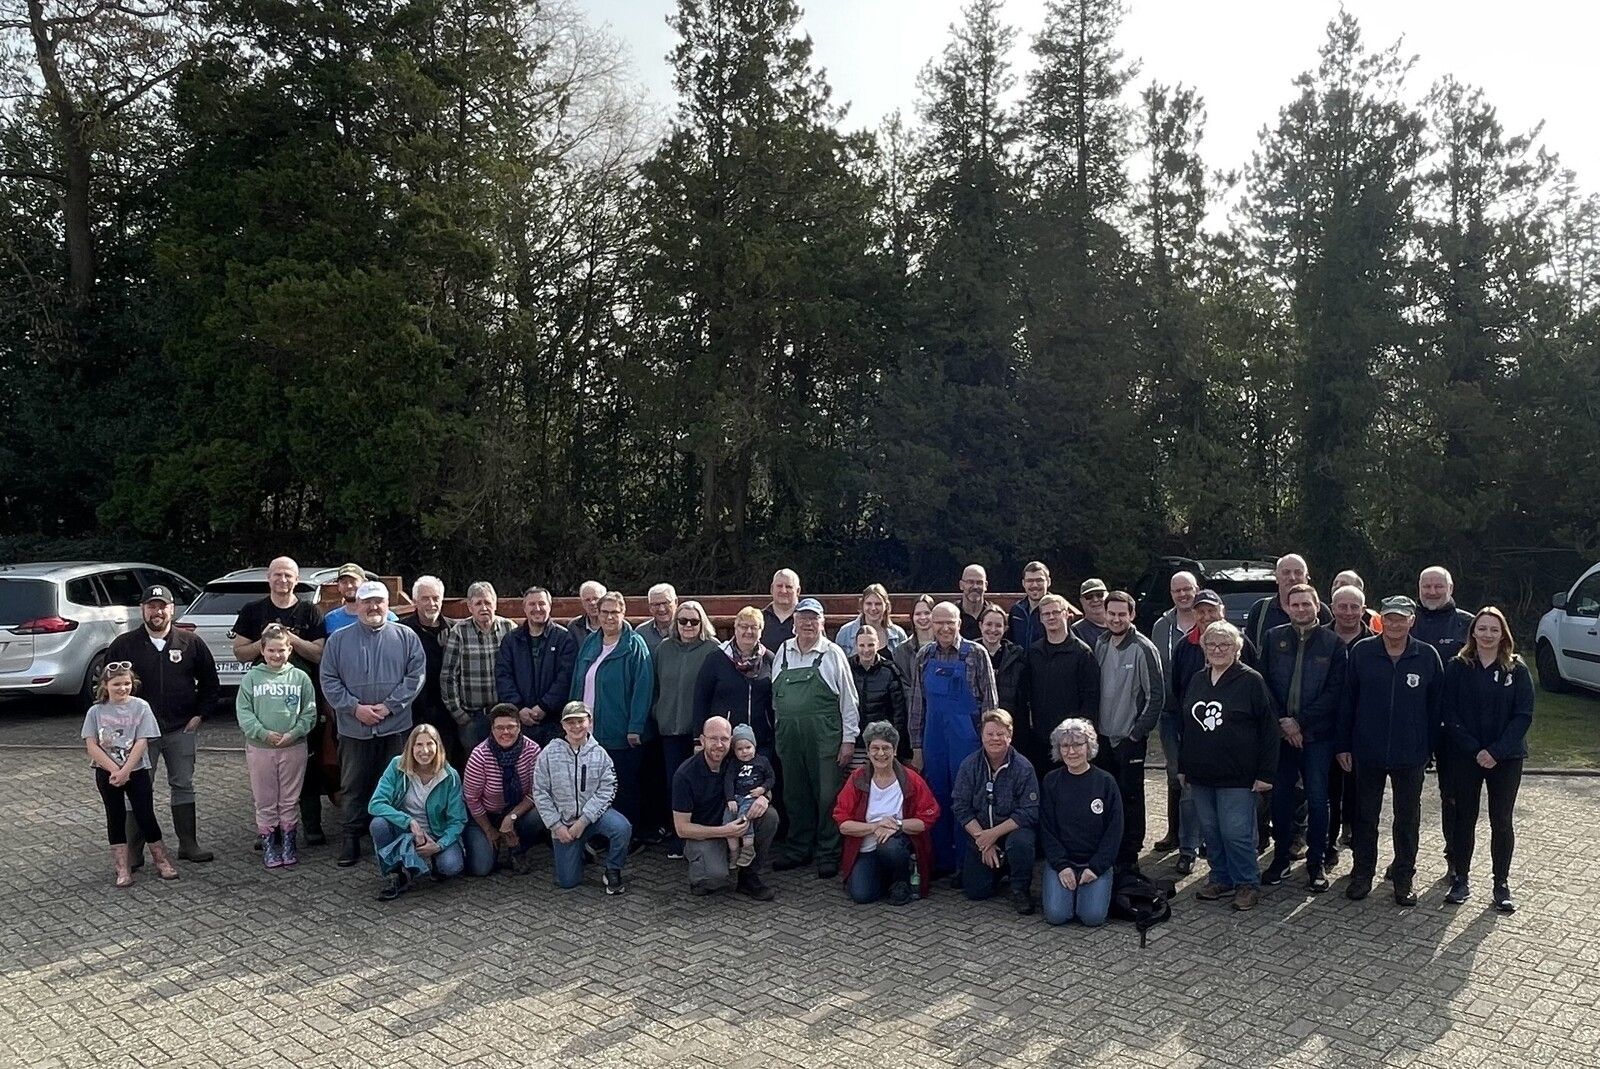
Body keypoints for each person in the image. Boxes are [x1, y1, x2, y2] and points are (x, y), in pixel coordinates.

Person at [1337, 596, 1445, 906]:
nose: (1395, 624)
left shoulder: (1427, 656)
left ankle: (1403, 877)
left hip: (1410, 753)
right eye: (1390, 618)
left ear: (1412, 621)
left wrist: (1429, 748)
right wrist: (1343, 745)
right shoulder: (1362, 652)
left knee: (1407, 818)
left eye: (1401, 618)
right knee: (1365, 816)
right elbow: (1347, 701)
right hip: (1367, 750)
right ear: (1381, 620)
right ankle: (1362, 874)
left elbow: (1436, 706)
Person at [105, 582, 221, 867]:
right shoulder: (124, 645)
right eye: (151, 606)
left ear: (172, 609)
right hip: (138, 736)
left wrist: (200, 715)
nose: (157, 612)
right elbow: (106, 688)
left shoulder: (191, 642)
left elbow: (210, 682)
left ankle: (188, 845)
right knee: (136, 789)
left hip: (180, 729)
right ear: (142, 609)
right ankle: (134, 851)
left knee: (183, 784)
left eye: (162, 606)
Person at [321, 581, 427, 867]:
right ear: (357, 606)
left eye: (378, 601)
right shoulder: (338, 640)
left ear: (387, 604)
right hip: (354, 729)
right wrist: (354, 708)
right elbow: (328, 679)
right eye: (367, 602)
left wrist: (390, 705)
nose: (373, 607)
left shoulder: (406, 636)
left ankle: (394, 836)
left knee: (396, 784)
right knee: (353, 785)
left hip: (396, 727)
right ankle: (351, 837)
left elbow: (416, 676)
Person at [1180, 621, 1278, 911]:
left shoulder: (1251, 681)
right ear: (1204, 649)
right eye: (1212, 644)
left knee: (1236, 832)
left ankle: (1247, 883)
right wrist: (1184, 766)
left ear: (1237, 649)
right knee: (1211, 831)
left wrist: (1266, 773)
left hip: (1238, 774)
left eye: (1225, 645)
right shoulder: (1198, 679)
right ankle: (1220, 878)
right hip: (1201, 773)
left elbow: (1269, 729)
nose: (1218, 649)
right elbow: (1187, 726)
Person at [232, 557, 330, 844]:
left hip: (302, 698)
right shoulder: (253, 610)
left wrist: (290, 639)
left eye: (288, 575)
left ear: (296, 579)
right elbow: (239, 652)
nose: (283, 580)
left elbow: (319, 653)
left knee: (308, 765)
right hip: (264, 702)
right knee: (266, 776)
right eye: (277, 575)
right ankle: (269, 831)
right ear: (269, 578)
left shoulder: (310, 611)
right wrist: (265, 641)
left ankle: (311, 825)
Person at [1442, 607, 1533, 913]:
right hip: (1466, 757)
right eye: (1482, 628)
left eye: (1494, 629)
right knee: (1463, 818)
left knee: (1501, 821)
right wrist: (1474, 749)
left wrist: (1496, 752)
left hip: (1506, 758)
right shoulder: (1458, 666)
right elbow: (1449, 712)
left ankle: (1501, 884)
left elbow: (1523, 715)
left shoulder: (1517, 669)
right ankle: (1460, 879)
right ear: (1473, 632)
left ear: (1503, 633)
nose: (1488, 634)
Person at [1258, 584, 1347, 893]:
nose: (1300, 609)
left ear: (1317, 606)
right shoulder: (1273, 638)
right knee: (1281, 800)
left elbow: (1334, 692)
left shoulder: (1333, 643)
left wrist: (1300, 723)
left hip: (1318, 737)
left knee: (1318, 800)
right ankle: (1281, 859)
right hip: (1282, 737)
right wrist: (1284, 723)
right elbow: (1264, 683)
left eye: (1306, 604)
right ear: (1287, 607)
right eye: (1294, 604)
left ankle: (1316, 863)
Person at [907, 601, 998, 877]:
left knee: (966, 798)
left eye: (950, 622)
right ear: (931, 624)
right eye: (939, 622)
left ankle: (965, 864)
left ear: (959, 623)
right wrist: (917, 747)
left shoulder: (976, 654)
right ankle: (940, 861)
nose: (945, 628)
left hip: (968, 741)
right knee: (936, 796)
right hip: (934, 740)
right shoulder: (924, 655)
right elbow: (917, 704)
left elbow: (990, 706)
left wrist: (990, 744)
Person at [770, 597, 860, 878]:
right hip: (789, 737)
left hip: (824, 736)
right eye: (803, 618)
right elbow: (775, 699)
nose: (808, 623)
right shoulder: (783, 651)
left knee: (827, 795)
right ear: (794, 622)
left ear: (822, 623)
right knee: (794, 794)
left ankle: (828, 852)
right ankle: (799, 848)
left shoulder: (832, 653)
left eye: (813, 618)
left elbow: (848, 700)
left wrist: (848, 739)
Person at [83, 662, 178, 886]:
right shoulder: (95, 711)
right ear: (105, 685)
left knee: (145, 814)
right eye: (117, 684)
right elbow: (92, 745)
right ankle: (122, 867)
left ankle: (161, 860)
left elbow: (142, 741)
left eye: (126, 683)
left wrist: (126, 770)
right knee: (115, 816)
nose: (122, 688)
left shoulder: (141, 706)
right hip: (106, 771)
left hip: (136, 770)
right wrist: (114, 770)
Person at [569, 591, 654, 834]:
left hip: (619, 730)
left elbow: (643, 687)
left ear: (623, 613)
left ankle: (628, 836)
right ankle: (599, 834)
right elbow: (577, 681)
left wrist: (635, 727)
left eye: (614, 612)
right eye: (604, 612)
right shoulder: (591, 642)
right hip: (589, 731)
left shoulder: (634, 645)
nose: (608, 617)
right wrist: (571, 717)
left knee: (622, 787)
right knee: (593, 787)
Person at [236, 624, 319, 868]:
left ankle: (289, 844)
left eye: (281, 650)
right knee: (265, 799)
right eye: (271, 650)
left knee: (290, 799)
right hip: (261, 748)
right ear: (262, 650)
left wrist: (295, 733)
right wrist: (262, 733)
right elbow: (244, 712)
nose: (276, 655)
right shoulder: (252, 678)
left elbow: (309, 712)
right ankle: (270, 846)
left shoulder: (300, 678)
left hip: (294, 747)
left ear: (290, 650)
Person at [1092, 591, 1164, 874]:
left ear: (1132, 615)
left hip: (1128, 739)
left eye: (1122, 614)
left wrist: (1137, 733)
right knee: (1107, 797)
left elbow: (1156, 696)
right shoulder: (1100, 643)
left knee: (1131, 797)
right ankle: (1110, 848)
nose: (1116, 619)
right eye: (1111, 613)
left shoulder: (1144, 648)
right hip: (1102, 738)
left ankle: (1131, 853)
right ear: (1105, 613)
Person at [832, 722, 940, 904]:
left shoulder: (911, 779)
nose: (880, 753)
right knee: (862, 896)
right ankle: (883, 879)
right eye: (875, 748)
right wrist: (875, 826)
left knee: (889, 846)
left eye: (886, 748)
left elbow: (927, 818)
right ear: (868, 751)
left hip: (897, 845)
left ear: (895, 750)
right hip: (866, 848)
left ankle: (901, 880)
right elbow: (843, 824)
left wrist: (897, 825)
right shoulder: (857, 779)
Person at [1413, 565, 1475, 880]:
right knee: (1406, 796)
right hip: (1413, 723)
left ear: (1451, 588)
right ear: (1419, 588)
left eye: (1439, 586)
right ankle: (1403, 859)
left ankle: (1455, 858)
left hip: (1454, 726)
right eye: (1427, 586)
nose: (1433, 592)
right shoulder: (1406, 621)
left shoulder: (1468, 624)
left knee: (1453, 796)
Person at [671, 716, 778, 900]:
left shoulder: (737, 760)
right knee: (715, 878)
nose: (719, 745)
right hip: (705, 833)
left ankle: (748, 876)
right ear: (702, 740)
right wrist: (725, 831)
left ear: (731, 740)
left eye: (724, 739)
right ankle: (701, 874)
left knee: (769, 816)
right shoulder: (685, 774)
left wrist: (765, 797)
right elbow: (682, 829)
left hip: (735, 824)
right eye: (713, 738)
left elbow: (762, 782)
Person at [532, 702, 632, 894]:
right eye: (570, 722)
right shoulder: (548, 754)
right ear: (563, 725)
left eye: (581, 721)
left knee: (622, 828)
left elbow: (608, 788)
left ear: (590, 722)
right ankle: (581, 849)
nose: (576, 726)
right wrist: (556, 826)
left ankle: (613, 869)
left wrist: (584, 820)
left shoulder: (600, 754)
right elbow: (540, 791)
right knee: (568, 882)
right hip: (564, 823)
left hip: (594, 817)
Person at [951, 709, 1040, 914]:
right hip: (980, 832)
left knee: (1022, 843)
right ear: (982, 735)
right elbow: (960, 806)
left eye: (1000, 734)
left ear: (1010, 735)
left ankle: (1020, 888)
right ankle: (997, 871)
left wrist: (993, 834)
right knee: (976, 892)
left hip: (1013, 832)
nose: (995, 739)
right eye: (989, 734)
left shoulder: (1024, 768)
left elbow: (1029, 811)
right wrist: (984, 841)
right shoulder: (969, 765)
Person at [367, 724, 468, 901]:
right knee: (378, 824)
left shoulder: (450, 776)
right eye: (419, 745)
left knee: (451, 866)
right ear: (411, 747)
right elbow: (375, 804)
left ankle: (434, 861)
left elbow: (458, 820)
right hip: (405, 830)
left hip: (437, 833)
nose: (425, 750)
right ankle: (397, 873)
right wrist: (409, 822)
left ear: (438, 746)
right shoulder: (397, 766)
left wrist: (439, 845)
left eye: (430, 744)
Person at [1039, 718, 1122, 927]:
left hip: (1094, 863)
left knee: (1092, 918)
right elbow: (1047, 829)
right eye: (1065, 746)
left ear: (1089, 746)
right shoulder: (1051, 781)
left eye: (1077, 745)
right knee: (1056, 916)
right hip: (1062, 863)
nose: (1071, 751)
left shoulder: (1106, 782)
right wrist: (1061, 866)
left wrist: (1096, 867)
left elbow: (1114, 831)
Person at [653, 599, 719, 856]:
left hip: (700, 732)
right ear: (675, 623)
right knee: (674, 782)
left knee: (700, 784)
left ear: (702, 622)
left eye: (694, 621)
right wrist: (657, 711)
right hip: (669, 729)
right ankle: (678, 835)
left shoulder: (713, 649)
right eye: (683, 620)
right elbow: (655, 685)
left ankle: (701, 835)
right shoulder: (664, 649)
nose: (688, 625)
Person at [1016, 593, 1099, 775]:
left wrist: (1080, 736)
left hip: (1071, 742)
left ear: (1066, 614)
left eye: (1056, 612)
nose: (1051, 617)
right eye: (1046, 614)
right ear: (1041, 618)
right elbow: (1025, 694)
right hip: (1040, 738)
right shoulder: (1034, 653)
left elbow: (1091, 698)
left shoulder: (1082, 653)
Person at [462, 704, 545, 877]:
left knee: (539, 814)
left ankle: (517, 847)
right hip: (485, 814)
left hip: (516, 810)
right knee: (481, 869)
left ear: (519, 727)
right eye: (500, 728)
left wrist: (511, 817)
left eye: (510, 727)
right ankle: (490, 842)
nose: (505, 732)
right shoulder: (479, 756)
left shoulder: (533, 750)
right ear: (492, 729)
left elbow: (536, 792)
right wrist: (489, 829)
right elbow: (472, 799)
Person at [1150, 572, 1199, 859]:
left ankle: (1194, 838)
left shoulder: (1206, 621)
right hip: (1170, 712)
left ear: (1197, 589)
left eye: (1187, 589)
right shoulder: (1161, 626)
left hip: (1202, 714)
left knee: (1197, 773)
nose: (1182, 595)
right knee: (1174, 771)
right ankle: (1174, 832)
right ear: (1171, 594)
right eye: (1177, 590)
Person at [496, 586, 579, 748]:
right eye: (532, 604)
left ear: (550, 606)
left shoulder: (564, 638)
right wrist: (518, 708)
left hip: (554, 721)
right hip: (519, 720)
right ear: (524, 608)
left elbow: (566, 677)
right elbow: (503, 675)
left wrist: (544, 706)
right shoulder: (511, 640)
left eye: (542, 603)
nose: (537, 608)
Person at [1325, 582, 1372, 863]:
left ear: (1363, 610)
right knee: (1328, 793)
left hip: (1361, 732)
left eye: (1355, 607)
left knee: (1359, 794)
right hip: (1324, 729)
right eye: (1342, 606)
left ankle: (1357, 848)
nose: (1348, 612)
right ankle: (1328, 845)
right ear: (1332, 608)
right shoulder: (1319, 639)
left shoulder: (1375, 644)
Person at [441, 581, 515, 754]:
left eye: (488, 602)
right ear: (470, 607)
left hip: (504, 715)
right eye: (478, 603)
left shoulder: (509, 628)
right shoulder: (459, 632)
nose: (484, 608)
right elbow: (448, 676)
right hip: (472, 716)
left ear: (495, 604)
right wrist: (458, 713)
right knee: (475, 763)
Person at [693, 606, 775, 754]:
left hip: (761, 741)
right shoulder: (716, 658)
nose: (748, 631)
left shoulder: (769, 659)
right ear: (735, 628)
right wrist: (698, 739)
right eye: (744, 626)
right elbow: (701, 699)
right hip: (724, 741)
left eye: (754, 627)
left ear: (761, 631)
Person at [402, 575, 460, 769]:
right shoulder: (402, 631)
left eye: (436, 598)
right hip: (413, 711)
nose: (432, 603)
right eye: (425, 598)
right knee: (412, 765)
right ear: (415, 601)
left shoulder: (455, 630)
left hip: (449, 713)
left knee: (447, 765)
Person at [1245, 554, 1332, 652]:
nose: (1292, 578)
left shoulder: (1321, 611)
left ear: (1307, 577)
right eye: (1286, 572)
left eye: (1298, 572)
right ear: (1276, 577)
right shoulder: (1260, 611)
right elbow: (1248, 655)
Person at [849, 625, 907, 755]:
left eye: (870, 645)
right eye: (862, 645)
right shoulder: (846, 668)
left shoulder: (890, 671)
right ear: (856, 646)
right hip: (853, 742)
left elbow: (898, 713)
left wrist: (896, 744)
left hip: (881, 742)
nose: (866, 650)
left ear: (878, 645)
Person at [723, 725, 775, 868]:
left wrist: (763, 789)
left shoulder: (762, 761)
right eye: (739, 749)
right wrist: (730, 799)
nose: (744, 752)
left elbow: (771, 778)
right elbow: (728, 781)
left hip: (751, 797)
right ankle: (734, 852)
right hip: (736, 798)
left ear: (754, 746)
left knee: (744, 818)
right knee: (727, 820)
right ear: (734, 750)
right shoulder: (733, 764)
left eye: (748, 747)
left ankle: (748, 848)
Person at [891, 595, 938, 724]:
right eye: (918, 614)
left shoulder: (944, 646)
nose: (923, 618)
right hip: (914, 714)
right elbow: (904, 686)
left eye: (927, 613)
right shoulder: (901, 650)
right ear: (912, 617)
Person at [977, 604, 1025, 715]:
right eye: (989, 624)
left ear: (1005, 628)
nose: (993, 629)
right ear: (980, 626)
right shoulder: (970, 653)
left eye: (998, 625)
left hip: (1008, 719)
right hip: (977, 718)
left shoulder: (1017, 656)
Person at [323, 564, 396, 634]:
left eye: (353, 581)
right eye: (344, 582)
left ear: (364, 583)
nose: (349, 586)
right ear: (338, 586)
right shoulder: (330, 619)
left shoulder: (386, 617)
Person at [835, 583, 908, 652]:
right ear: (862, 605)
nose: (873, 608)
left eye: (878, 604)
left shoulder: (898, 634)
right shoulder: (845, 633)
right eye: (869, 603)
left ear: (886, 606)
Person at [1008, 561, 1053, 650]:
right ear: (1023, 583)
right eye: (1030, 581)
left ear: (1048, 582)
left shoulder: (1056, 611)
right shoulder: (1016, 610)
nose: (1034, 585)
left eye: (1039, 580)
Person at [761, 569, 801, 649]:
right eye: (779, 586)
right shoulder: (759, 618)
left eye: (788, 587)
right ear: (772, 589)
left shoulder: (808, 619)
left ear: (798, 591)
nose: (783, 591)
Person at [641, 583, 678, 653]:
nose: (661, 609)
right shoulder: (641, 633)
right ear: (650, 607)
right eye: (656, 604)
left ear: (676, 602)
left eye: (665, 603)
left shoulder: (686, 630)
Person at [1072, 579, 1110, 646]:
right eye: (1089, 597)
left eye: (1099, 595)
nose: (1095, 600)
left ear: (1108, 597)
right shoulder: (1076, 631)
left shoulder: (1120, 625)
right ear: (1082, 601)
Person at [568, 580, 606, 645]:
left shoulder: (613, 624)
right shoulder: (574, 626)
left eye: (596, 598)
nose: (592, 603)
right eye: (587, 600)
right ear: (582, 603)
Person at [957, 565, 989, 640]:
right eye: (970, 582)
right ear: (961, 585)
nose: (975, 587)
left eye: (979, 582)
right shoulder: (953, 614)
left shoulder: (993, 614)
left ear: (985, 586)